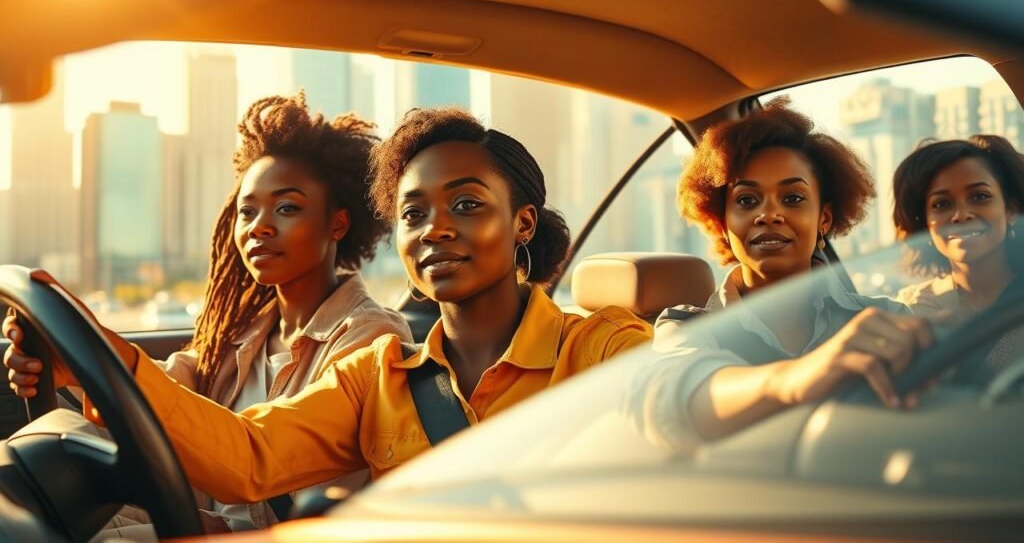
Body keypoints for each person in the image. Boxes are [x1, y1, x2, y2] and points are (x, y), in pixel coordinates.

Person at [4, 107, 652, 508]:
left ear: (524, 222)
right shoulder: (378, 373)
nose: (435, 229)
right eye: (414, 213)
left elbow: (690, 390)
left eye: (467, 204)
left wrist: (755, 379)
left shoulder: (598, 346)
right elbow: (251, 454)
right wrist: (92, 355)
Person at [5, 92, 413, 536]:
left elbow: (256, 458)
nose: (259, 225)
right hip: (191, 515)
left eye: (287, 207)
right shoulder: (243, 332)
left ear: (337, 224)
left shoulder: (371, 338)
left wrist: (106, 346)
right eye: (247, 211)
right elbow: (165, 393)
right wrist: (75, 369)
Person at [641, 98, 931, 450]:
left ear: (824, 218)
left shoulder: (886, 319)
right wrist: (796, 379)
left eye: (792, 198)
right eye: (747, 201)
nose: (769, 215)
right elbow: (679, 396)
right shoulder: (684, 329)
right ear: (723, 221)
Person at [893, 135, 1024, 383]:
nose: (961, 215)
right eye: (942, 204)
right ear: (925, 225)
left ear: (1011, 209)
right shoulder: (910, 309)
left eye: (980, 197)